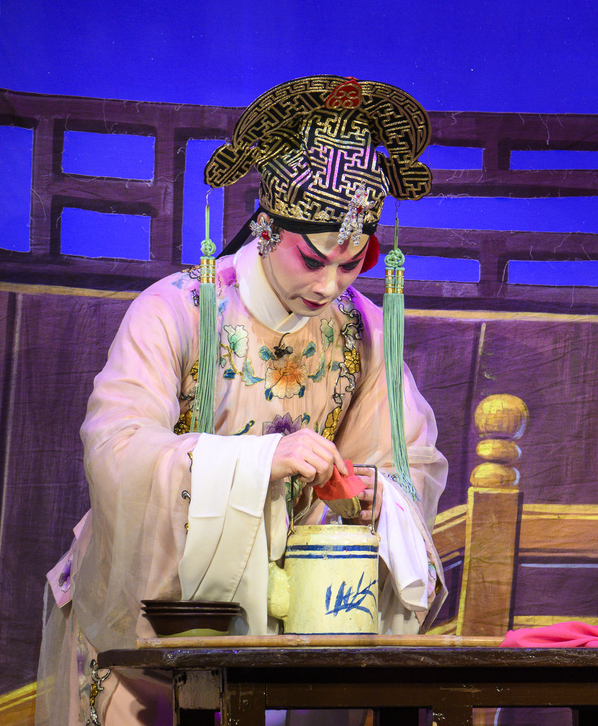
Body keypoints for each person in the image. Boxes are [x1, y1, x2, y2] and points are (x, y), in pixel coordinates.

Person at [36, 75, 448, 724]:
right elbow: (118, 449)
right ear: (266, 227)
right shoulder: (178, 309)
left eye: (351, 264)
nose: (330, 285)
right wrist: (259, 461)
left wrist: (373, 494)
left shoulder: (364, 329)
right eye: (313, 259)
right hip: (159, 618)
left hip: (291, 627)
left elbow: (408, 462)